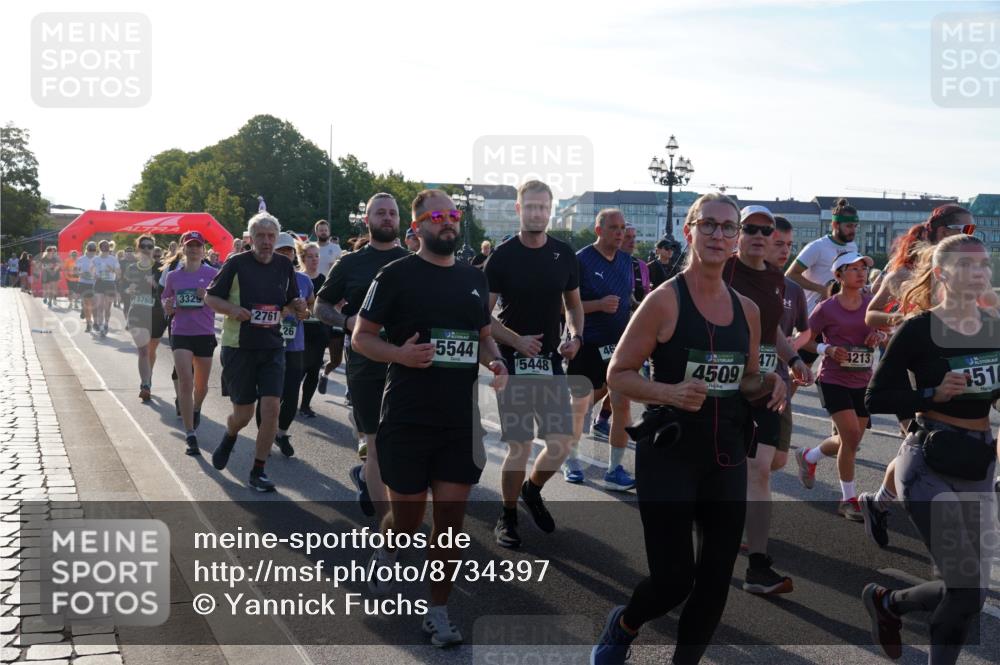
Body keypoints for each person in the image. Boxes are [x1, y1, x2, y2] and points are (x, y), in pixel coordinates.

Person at [591, 192, 785, 665]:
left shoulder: (749, 311)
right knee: (674, 579)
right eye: (709, 225)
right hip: (671, 453)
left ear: (737, 240)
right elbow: (618, 374)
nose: (719, 235)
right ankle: (626, 623)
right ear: (689, 231)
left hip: (726, 454)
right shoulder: (664, 301)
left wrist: (772, 380)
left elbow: (746, 379)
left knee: (716, 579)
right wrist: (669, 393)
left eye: (728, 228)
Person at [354, 189, 506, 648]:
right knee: (406, 522)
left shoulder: (472, 279)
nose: (449, 223)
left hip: (458, 421)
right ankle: (386, 547)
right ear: (416, 226)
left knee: (450, 523)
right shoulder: (395, 274)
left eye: (453, 215)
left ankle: (436, 611)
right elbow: (362, 337)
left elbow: (483, 335)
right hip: (407, 416)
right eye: (438, 216)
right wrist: (399, 353)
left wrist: (495, 360)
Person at [862, 234, 999, 664]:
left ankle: (890, 603)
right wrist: (929, 393)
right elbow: (876, 399)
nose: (979, 274)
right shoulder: (918, 329)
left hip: (978, 462)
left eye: (984, 266)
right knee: (963, 590)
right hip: (928, 462)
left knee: (971, 592)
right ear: (942, 274)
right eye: (967, 266)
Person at [860, 204, 978, 548]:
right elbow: (871, 315)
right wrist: (905, 322)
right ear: (941, 232)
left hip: (949, 364)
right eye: (964, 230)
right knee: (923, 444)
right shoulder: (902, 275)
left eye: (973, 232)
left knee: (930, 445)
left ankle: (880, 501)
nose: (970, 237)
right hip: (911, 366)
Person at [484, 180, 583, 548]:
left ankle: (532, 488)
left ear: (550, 210)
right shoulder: (503, 256)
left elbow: (573, 305)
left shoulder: (564, 254)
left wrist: (575, 335)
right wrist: (516, 341)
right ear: (518, 209)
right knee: (521, 444)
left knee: (560, 443)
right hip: (511, 361)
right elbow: (483, 316)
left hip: (551, 362)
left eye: (543, 207)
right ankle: (507, 515)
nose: (537, 213)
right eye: (531, 207)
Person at [724, 206, 812, 596]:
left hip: (764, 386)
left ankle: (757, 566)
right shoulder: (721, 270)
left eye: (766, 230)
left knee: (760, 470)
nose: (759, 236)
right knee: (721, 472)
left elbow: (774, 325)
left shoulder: (776, 278)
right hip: (724, 386)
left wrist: (792, 358)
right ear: (738, 234)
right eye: (751, 229)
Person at [315, 193, 410, 519]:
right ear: (367, 220)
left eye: (392, 214)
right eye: (380, 213)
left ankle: (370, 480)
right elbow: (321, 305)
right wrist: (346, 321)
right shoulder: (350, 263)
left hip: (406, 367)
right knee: (374, 443)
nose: (387, 218)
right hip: (365, 366)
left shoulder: (413, 261)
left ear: (400, 220)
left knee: (400, 448)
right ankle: (390, 537)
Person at [204, 212, 306, 492]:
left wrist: (297, 307)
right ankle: (230, 434)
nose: (266, 241)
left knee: (272, 407)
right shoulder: (236, 263)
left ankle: (258, 471)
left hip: (273, 347)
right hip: (240, 347)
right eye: (260, 236)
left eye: (271, 236)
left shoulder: (285, 266)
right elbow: (210, 297)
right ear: (250, 239)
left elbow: (290, 304)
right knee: (244, 414)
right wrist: (233, 310)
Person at [793, 252, 886, 520]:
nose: (861, 273)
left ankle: (809, 456)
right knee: (850, 437)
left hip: (862, 379)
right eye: (854, 269)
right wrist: (827, 348)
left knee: (852, 439)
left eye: (863, 269)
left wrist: (877, 335)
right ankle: (848, 499)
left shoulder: (871, 304)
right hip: (833, 379)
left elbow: (884, 333)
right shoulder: (827, 307)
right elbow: (804, 340)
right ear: (838, 275)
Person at [566, 208, 636, 491]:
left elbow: (626, 298)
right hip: (588, 345)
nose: (620, 233)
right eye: (614, 228)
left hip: (619, 348)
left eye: (623, 228)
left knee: (622, 404)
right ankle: (570, 459)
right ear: (599, 230)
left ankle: (614, 469)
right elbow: (564, 306)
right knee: (581, 407)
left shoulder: (626, 260)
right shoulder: (580, 260)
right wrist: (598, 305)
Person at [253, 232, 314, 458]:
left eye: (289, 251)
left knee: (291, 394)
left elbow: (309, 311)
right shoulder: (262, 278)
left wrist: (302, 311)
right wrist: (283, 310)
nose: (286, 254)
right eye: (281, 250)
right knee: (268, 395)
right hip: (268, 344)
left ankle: (280, 432)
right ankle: (264, 436)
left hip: (294, 345)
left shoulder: (304, 281)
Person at [161, 231, 218, 455]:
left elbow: (222, 302)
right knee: (186, 380)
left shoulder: (214, 274)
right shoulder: (174, 276)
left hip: (204, 333)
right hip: (181, 332)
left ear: (203, 249)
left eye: (197, 245)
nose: (193, 249)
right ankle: (190, 434)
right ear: (183, 249)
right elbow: (166, 296)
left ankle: (196, 407)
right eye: (189, 246)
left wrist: (207, 297)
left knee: (201, 386)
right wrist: (168, 306)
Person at [786, 198, 860, 364]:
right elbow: (790, 275)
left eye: (855, 226)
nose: (853, 230)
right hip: (813, 314)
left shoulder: (853, 247)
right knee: (801, 370)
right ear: (835, 225)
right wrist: (821, 289)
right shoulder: (817, 247)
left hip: (837, 314)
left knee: (838, 364)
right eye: (849, 226)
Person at [120, 235, 168, 401]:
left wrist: (155, 285)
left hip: (156, 313)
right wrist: (129, 290)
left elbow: (168, 291)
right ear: (138, 248)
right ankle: (145, 384)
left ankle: (148, 377)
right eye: (144, 246)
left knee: (151, 350)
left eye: (150, 246)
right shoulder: (132, 268)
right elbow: (123, 290)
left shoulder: (162, 268)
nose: (147, 249)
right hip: (137, 312)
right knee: (143, 350)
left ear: (153, 248)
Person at [297, 242, 328, 418]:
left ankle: (305, 406)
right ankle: (288, 401)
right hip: (300, 330)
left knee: (314, 370)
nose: (314, 259)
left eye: (316, 255)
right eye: (310, 256)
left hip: (319, 331)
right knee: (297, 370)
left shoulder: (324, 280)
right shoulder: (297, 278)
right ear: (303, 258)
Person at [91, 240, 120, 337]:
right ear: (100, 248)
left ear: (109, 247)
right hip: (99, 283)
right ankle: (101, 327)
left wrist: (111, 270)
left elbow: (118, 273)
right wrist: (95, 275)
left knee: (107, 308)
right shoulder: (95, 259)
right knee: (100, 306)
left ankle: (106, 324)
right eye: (103, 246)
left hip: (110, 283)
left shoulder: (113, 259)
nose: (105, 247)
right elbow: (91, 271)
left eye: (107, 246)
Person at [622, 224, 651, 304]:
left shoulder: (642, 266)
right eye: (627, 237)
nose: (632, 241)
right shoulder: (610, 263)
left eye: (634, 237)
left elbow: (647, 292)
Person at [75, 243, 98, 332]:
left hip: (95, 284)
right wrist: (81, 274)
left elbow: (102, 271)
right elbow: (75, 271)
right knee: (86, 304)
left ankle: (95, 322)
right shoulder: (81, 259)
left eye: (93, 250)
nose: (91, 252)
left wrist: (96, 275)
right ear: (87, 249)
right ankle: (89, 323)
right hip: (84, 283)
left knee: (93, 305)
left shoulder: (98, 259)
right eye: (90, 250)